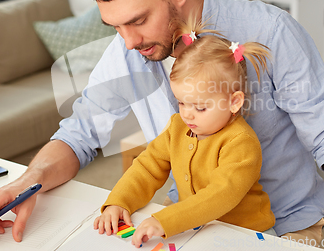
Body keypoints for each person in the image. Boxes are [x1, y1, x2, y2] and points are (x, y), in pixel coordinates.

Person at [0, 0, 324, 251]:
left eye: (137, 20)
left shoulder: (271, 31)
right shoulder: (132, 49)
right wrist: (25, 184)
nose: (128, 41)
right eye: (115, 27)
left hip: (281, 224)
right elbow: (80, 133)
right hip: (186, 219)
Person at [94, 21, 275, 247]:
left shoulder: (241, 142)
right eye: (181, 102)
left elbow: (219, 196)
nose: (188, 115)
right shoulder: (178, 126)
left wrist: (164, 221)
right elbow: (148, 167)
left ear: (234, 102)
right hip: (197, 230)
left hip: (247, 234)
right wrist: (120, 201)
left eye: (200, 107)